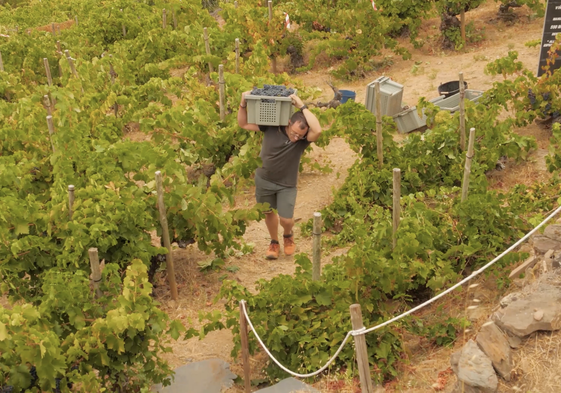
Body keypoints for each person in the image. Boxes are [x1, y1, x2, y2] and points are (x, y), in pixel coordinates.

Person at [237, 90, 322, 259]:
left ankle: (288, 235)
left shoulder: (302, 142)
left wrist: (302, 106)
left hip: (286, 184)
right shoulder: (271, 126)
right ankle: (274, 242)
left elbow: (318, 130)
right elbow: (244, 124)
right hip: (263, 179)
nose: (296, 138)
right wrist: (243, 103)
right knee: (268, 213)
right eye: (294, 132)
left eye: (300, 135)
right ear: (289, 122)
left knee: (286, 219)